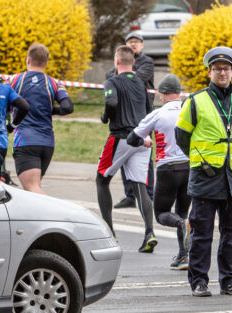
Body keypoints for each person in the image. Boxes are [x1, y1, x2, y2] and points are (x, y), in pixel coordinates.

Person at [175, 46, 232, 297]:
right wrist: (201, 157)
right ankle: (199, 281)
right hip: (205, 175)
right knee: (202, 232)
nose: (222, 72)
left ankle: (229, 281)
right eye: (217, 69)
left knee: (231, 232)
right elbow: (181, 136)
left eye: (226, 68)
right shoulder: (195, 100)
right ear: (209, 71)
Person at [126, 74, 191, 269]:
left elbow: (132, 138)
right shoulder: (189, 110)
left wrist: (145, 141)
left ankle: (182, 227)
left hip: (167, 168)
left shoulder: (157, 114)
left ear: (162, 94)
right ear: (179, 93)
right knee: (182, 212)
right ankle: (183, 256)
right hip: (189, 167)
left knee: (162, 213)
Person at [96, 46, 156, 252]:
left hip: (121, 137)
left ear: (117, 61)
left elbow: (111, 101)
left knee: (102, 179)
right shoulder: (141, 84)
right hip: (142, 139)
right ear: (133, 63)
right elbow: (150, 112)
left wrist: (106, 116)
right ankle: (149, 233)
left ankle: (109, 233)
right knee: (140, 186)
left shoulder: (112, 81)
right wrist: (146, 136)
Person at [10, 43, 73, 194]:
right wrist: (50, 110)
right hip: (47, 143)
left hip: (26, 140)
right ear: (46, 63)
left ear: (28, 60)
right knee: (34, 187)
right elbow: (68, 107)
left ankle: (56, 215)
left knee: (32, 189)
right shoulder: (54, 83)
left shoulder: (14, 80)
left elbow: (4, 104)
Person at [107, 31, 156, 209]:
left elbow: (138, 78)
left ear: (142, 45)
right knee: (123, 155)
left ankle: (149, 194)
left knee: (145, 155)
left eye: (137, 42)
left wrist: (122, 73)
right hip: (123, 115)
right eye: (130, 42)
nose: (134, 44)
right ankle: (130, 195)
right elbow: (110, 76)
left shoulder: (147, 62)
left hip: (142, 115)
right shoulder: (123, 66)